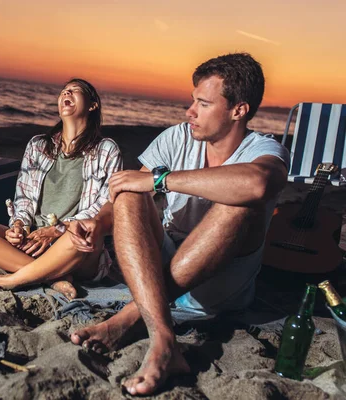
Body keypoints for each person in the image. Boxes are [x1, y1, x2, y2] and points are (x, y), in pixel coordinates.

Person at [68, 53, 290, 395]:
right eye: (192, 101)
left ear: (238, 110)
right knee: (127, 192)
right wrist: (97, 222)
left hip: (219, 285)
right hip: (163, 263)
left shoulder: (262, 148)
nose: (190, 112)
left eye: (203, 103)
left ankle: (131, 317)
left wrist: (161, 182)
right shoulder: (178, 137)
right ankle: (164, 339)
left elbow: (258, 184)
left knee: (239, 202)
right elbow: (126, 193)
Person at [0, 78, 122, 300]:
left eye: (74, 90)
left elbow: (102, 208)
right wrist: (19, 226)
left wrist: (56, 232)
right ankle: (52, 277)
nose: (66, 94)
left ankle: (19, 276)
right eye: (63, 91)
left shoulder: (107, 150)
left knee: (81, 234)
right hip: (33, 240)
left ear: (92, 105)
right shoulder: (38, 146)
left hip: (72, 245)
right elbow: (23, 199)